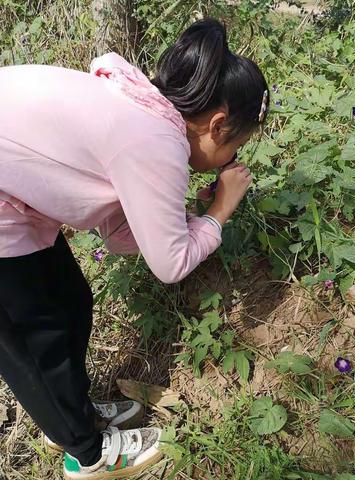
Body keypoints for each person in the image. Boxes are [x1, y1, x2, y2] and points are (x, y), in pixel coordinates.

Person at [0, 18, 269, 479]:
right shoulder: (155, 142)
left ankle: (68, 417)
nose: (232, 159)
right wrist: (218, 213)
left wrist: (184, 218)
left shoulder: (142, 106)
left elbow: (121, 237)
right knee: (35, 338)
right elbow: (171, 264)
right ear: (218, 125)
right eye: (237, 145)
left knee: (69, 304)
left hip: (12, 200)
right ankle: (88, 456)